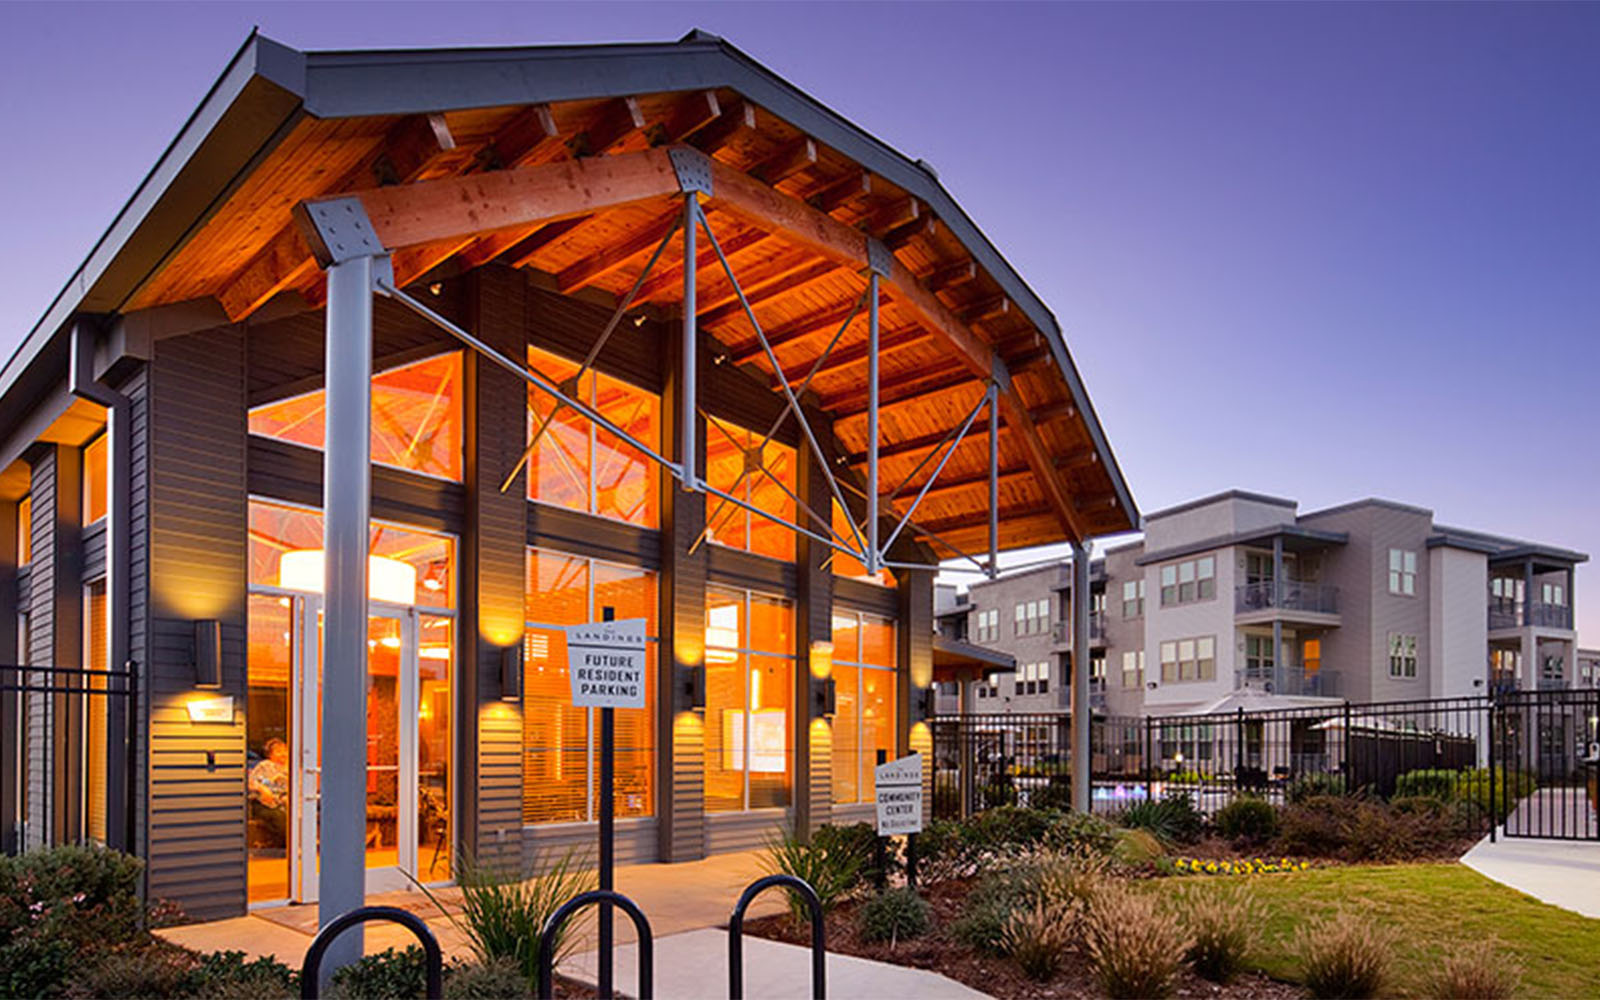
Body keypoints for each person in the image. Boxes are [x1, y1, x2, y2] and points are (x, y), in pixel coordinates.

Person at [248, 738, 290, 847]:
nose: (283, 754)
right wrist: (265, 786)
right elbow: (252, 782)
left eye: (285, 750)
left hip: (283, 804)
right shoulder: (265, 765)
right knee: (281, 819)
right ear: (270, 755)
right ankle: (286, 848)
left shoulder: (290, 767)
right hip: (264, 804)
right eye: (278, 751)